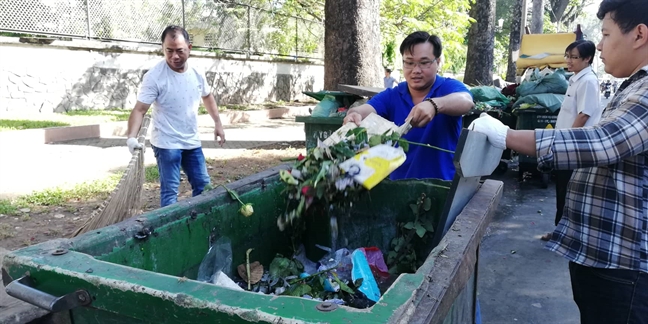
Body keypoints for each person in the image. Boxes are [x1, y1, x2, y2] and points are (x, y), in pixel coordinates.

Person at [469, 0, 648, 321]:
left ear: (639, 35)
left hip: (623, 263)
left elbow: (605, 141)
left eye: (606, 35)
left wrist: (507, 136)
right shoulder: (633, 85)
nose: (601, 45)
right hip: (605, 256)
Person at [344, 31, 473, 181]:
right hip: (398, 189)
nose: (416, 70)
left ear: (437, 63)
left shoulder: (448, 87)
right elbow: (367, 109)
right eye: (409, 63)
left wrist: (434, 105)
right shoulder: (393, 95)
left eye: (424, 63)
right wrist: (355, 114)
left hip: (441, 188)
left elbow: (466, 101)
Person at [126, 25, 226, 208]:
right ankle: (170, 233)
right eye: (168, 51)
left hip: (191, 141)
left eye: (179, 51)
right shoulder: (154, 76)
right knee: (170, 191)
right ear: (162, 49)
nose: (174, 57)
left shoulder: (197, 71)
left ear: (189, 47)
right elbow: (140, 109)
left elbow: (207, 96)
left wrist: (218, 123)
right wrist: (131, 137)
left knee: (203, 186)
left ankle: (201, 225)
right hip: (166, 143)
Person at [540, 40, 602, 242]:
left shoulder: (588, 81)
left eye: (574, 57)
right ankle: (561, 231)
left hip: (574, 147)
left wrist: (566, 140)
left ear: (587, 59)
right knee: (563, 191)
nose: (569, 61)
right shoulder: (576, 79)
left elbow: (584, 114)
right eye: (568, 56)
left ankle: (566, 234)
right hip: (567, 145)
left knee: (569, 192)